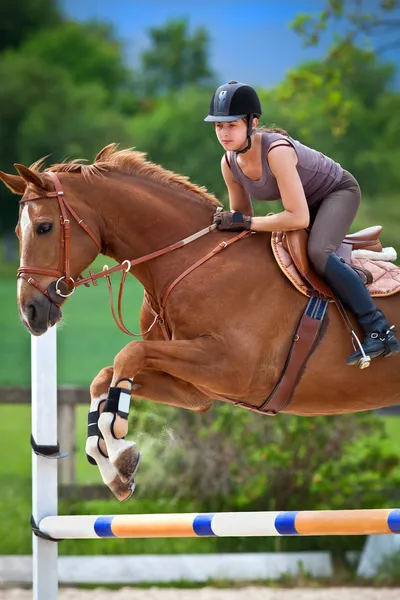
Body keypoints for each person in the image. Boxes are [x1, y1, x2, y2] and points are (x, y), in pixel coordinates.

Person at [204, 80, 400, 367]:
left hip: (337, 193)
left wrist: (246, 222)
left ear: (252, 122)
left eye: (232, 125)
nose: (223, 132)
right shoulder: (228, 162)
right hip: (305, 205)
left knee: (319, 252)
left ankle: (380, 330)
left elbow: (297, 217)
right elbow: (242, 216)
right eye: (218, 126)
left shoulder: (276, 151)